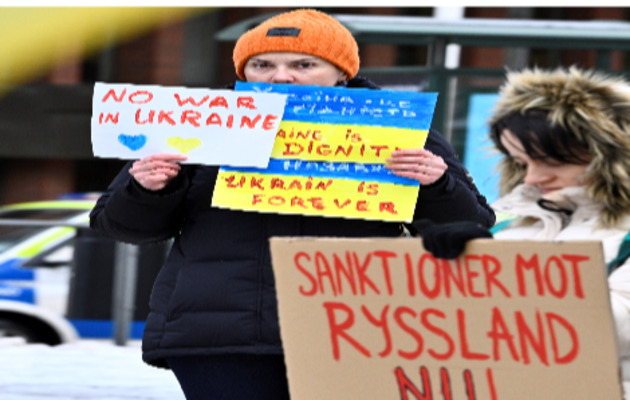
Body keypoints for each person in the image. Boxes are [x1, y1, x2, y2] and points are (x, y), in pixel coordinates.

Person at [89, 9, 494, 400]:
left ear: (341, 73)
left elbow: (472, 225)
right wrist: (147, 189)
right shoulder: (198, 126)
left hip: (353, 330)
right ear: (242, 71)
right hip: (220, 335)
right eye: (262, 65)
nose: (280, 76)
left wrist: (436, 183)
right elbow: (117, 225)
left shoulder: (399, 131)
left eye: (303, 64)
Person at [416, 66, 630, 396]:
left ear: (608, 159)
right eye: (523, 162)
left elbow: (608, 329)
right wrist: (455, 269)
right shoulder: (512, 220)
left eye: (553, 163)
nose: (533, 178)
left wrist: (498, 273)